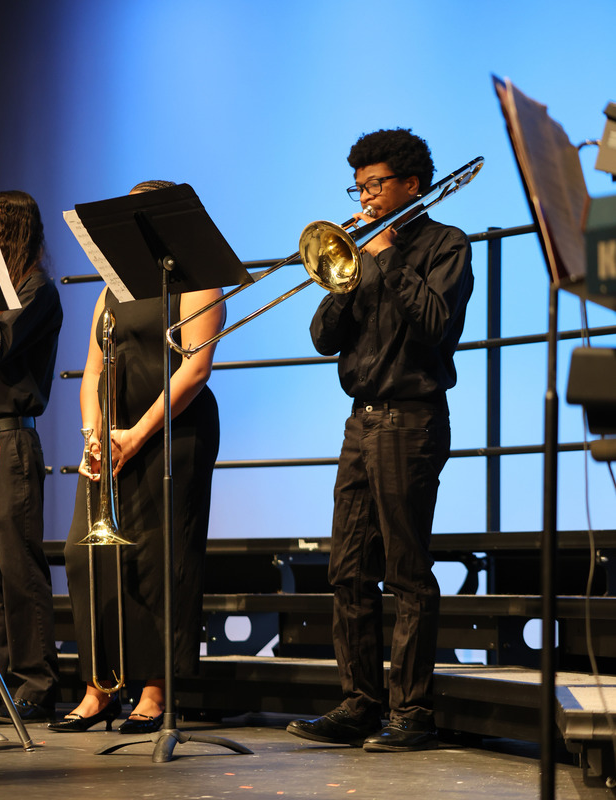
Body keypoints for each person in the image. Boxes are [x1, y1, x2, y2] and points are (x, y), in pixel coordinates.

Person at [286, 129, 474, 752]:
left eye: (374, 185)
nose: (363, 198)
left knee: (406, 570)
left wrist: (388, 256)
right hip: (360, 421)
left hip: (411, 419)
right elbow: (322, 337)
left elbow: (436, 327)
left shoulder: (446, 246)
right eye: (358, 186)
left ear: (411, 186)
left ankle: (412, 711)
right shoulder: (361, 255)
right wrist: (345, 277)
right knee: (346, 570)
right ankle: (360, 702)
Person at [49, 180, 225, 734]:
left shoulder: (200, 283)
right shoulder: (114, 287)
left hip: (173, 433)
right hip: (111, 440)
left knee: (162, 560)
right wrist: (93, 434)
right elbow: (95, 367)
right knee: (86, 556)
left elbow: (194, 372)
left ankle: (156, 688)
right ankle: (100, 684)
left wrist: (135, 436)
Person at [0, 190, 63, 723]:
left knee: (18, 563)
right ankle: (2, 681)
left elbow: (1, 343)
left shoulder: (35, 290)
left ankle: (36, 683)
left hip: (11, 436)